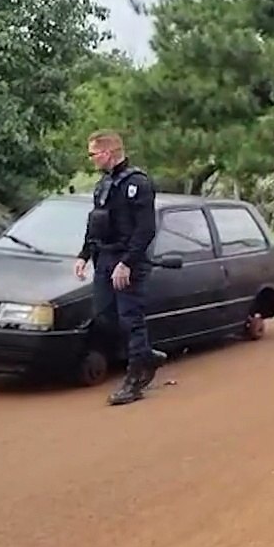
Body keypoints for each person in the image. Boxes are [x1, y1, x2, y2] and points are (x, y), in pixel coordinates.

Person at [74, 130, 159, 405]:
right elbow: (95, 223)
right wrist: (84, 255)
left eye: (93, 154)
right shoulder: (103, 185)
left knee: (130, 319)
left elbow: (146, 230)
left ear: (107, 152)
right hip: (104, 258)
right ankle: (145, 354)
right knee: (103, 317)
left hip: (128, 260)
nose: (91, 159)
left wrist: (127, 263)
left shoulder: (138, 183)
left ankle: (135, 380)